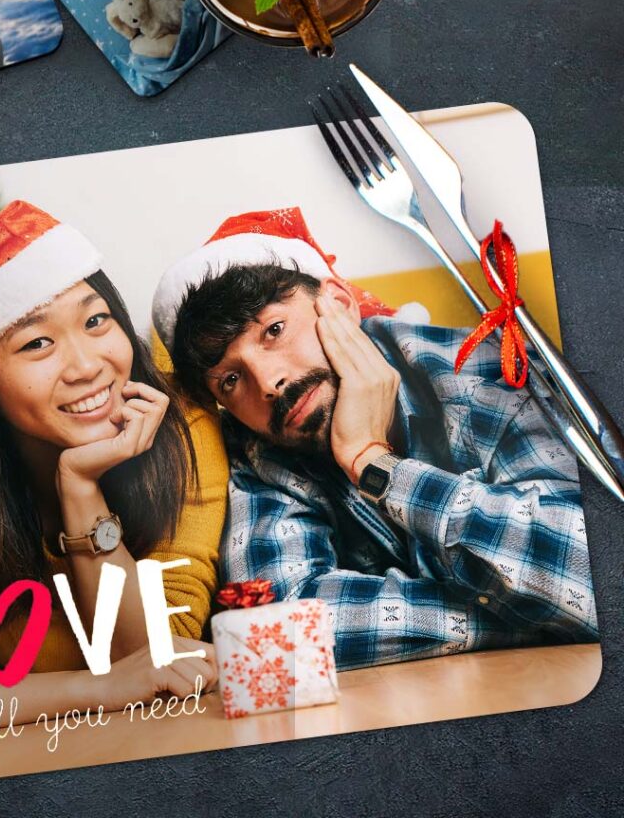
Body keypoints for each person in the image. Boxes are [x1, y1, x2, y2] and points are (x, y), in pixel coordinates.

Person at [151, 206, 598, 670]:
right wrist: (527, 617)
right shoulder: (258, 451)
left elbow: (595, 575)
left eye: (274, 330)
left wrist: (374, 464)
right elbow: (275, 633)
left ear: (339, 304)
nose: (267, 383)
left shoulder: (482, 373)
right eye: (230, 379)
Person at [0, 201, 227, 743]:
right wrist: (94, 689)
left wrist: (81, 489)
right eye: (37, 343)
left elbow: (160, 661)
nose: (87, 366)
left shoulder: (182, 426)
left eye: (96, 320)